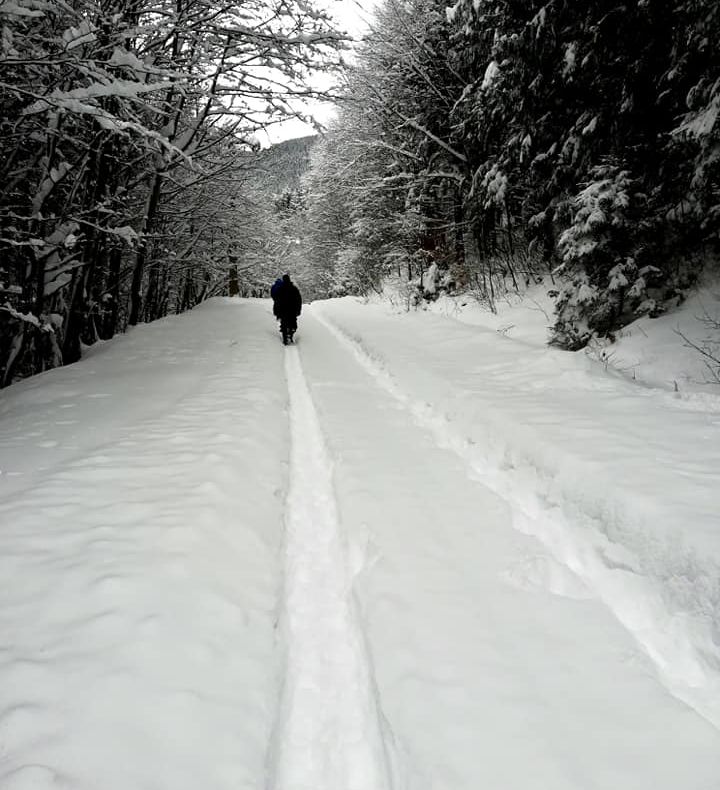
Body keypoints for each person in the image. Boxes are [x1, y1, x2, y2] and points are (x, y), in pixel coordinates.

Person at [273, 273, 302, 345]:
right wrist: (298, 310)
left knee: (283, 323)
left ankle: (285, 337)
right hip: (292, 310)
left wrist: (276, 311)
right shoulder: (294, 289)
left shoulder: (280, 289)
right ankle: (291, 333)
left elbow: (277, 301)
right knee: (293, 322)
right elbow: (299, 300)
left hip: (283, 310)